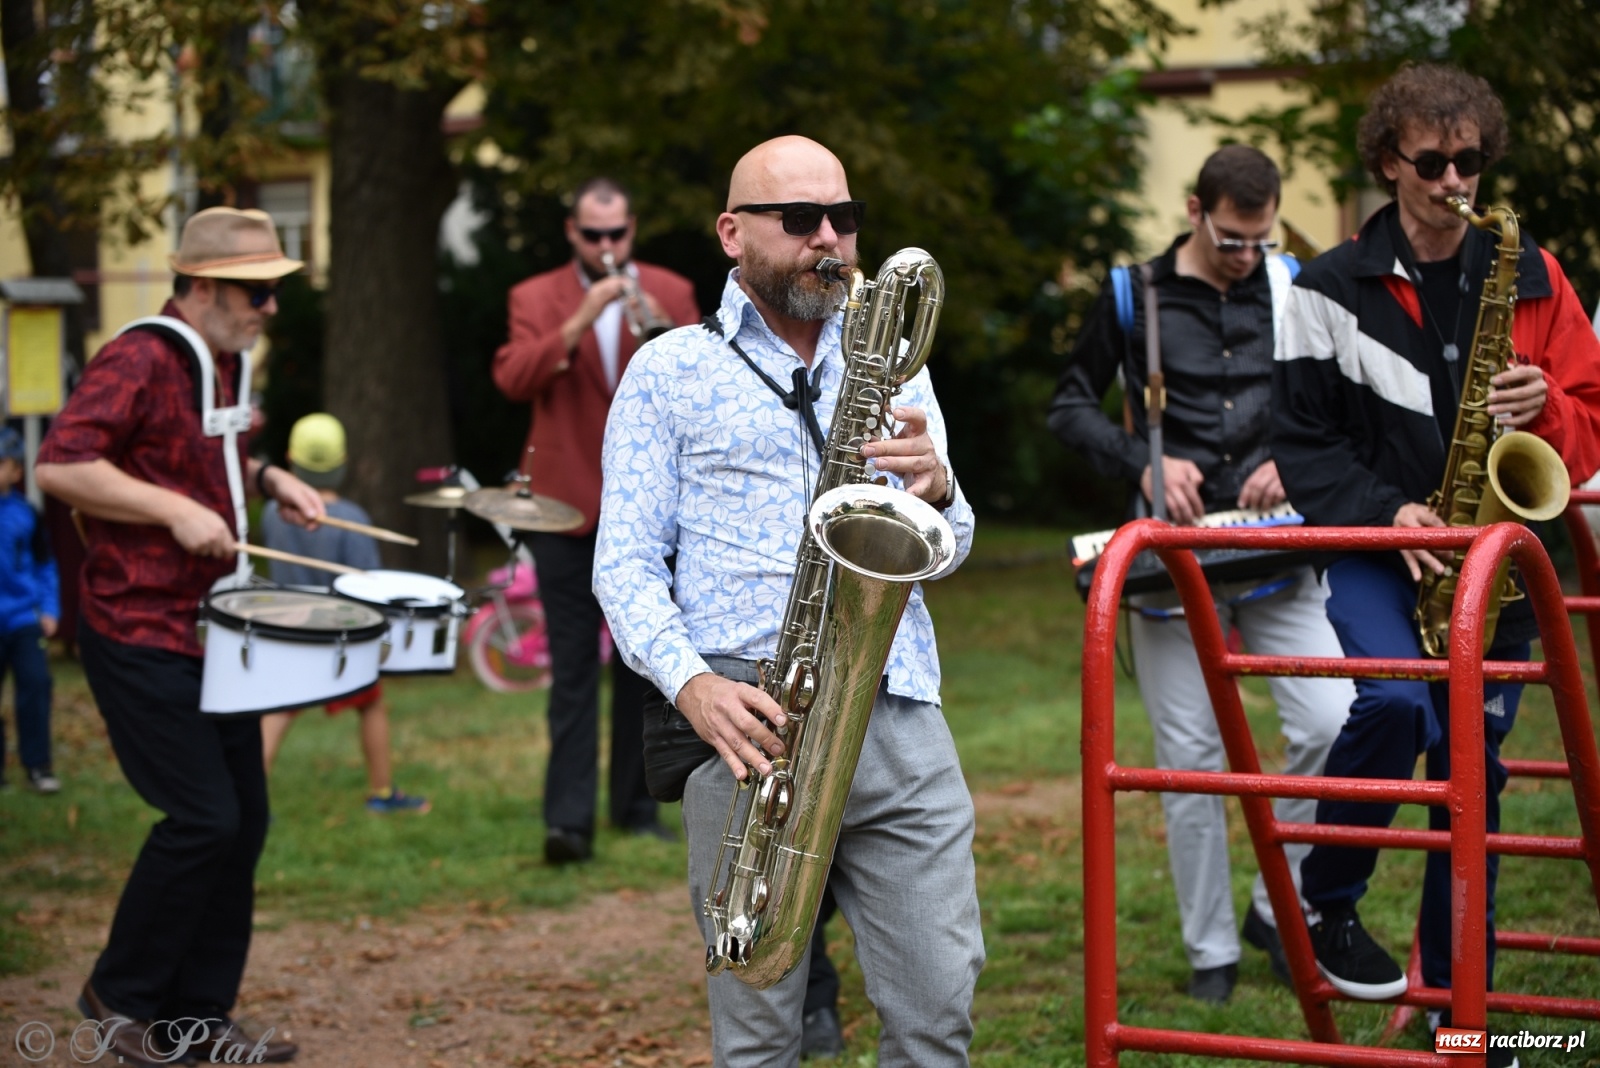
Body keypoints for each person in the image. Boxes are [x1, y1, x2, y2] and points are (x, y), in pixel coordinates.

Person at [594, 135, 982, 1066]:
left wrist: (938, 492)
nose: (830, 240)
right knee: (759, 1028)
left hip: (893, 706)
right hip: (745, 720)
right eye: (800, 219)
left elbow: (949, 545)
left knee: (938, 1006)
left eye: (843, 219)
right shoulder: (669, 371)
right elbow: (624, 565)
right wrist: (693, 688)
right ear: (732, 233)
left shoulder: (892, 360)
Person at [1271, 64, 1600, 1047]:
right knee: (1398, 702)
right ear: (1387, 163)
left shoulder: (1532, 273)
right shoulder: (1325, 288)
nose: (1454, 177)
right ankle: (1328, 900)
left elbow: (1590, 427)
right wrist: (1391, 513)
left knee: (1477, 775)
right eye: (1431, 160)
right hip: (1382, 549)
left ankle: (1459, 1021)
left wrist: (1548, 409)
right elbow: (1302, 442)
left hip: (1495, 555)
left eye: (1469, 159)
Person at [1047, 145, 1354, 1003]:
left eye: (1257, 240)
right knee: (1189, 760)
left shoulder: (1296, 281)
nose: (1244, 256)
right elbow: (1068, 404)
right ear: (1193, 209)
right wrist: (1141, 463)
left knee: (1335, 718)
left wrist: (1297, 463)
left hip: (1281, 547)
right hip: (1169, 560)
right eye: (1229, 239)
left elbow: (1338, 403)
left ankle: (1275, 904)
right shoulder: (1130, 293)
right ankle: (1211, 951)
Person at [36, 206, 325, 1067]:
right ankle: (117, 996)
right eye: (254, 293)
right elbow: (63, 463)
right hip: (138, 626)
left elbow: (197, 456)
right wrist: (172, 511)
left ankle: (195, 1019)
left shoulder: (224, 362)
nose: (269, 310)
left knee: (245, 823)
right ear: (199, 287)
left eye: (273, 293)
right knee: (203, 818)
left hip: (215, 629)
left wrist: (271, 478)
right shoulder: (139, 354)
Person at [494, 177, 701, 864]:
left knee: (646, 667)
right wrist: (581, 318)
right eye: (593, 235)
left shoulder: (670, 292)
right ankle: (568, 824)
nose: (607, 247)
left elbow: (702, 386)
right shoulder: (535, 296)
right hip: (565, 508)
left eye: (618, 235)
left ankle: (638, 807)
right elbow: (513, 379)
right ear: (572, 233)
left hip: (651, 512)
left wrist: (657, 333)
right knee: (575, 673)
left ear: (632, 229)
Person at [258, 413, 429, 814]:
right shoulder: (352, 519)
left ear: (290, 459)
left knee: (277, 711)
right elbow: (367, 588)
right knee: (370, 705)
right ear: (344, 462)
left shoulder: (270, 512)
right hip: (339, 639)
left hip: (289, 630)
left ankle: (250, 795)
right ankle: (383, 793)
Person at [0, 426, 60, 793]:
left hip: (23, 619)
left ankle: (38, 765)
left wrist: (50, 608)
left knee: (36, 685)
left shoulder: (28, 514)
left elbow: (45, 565)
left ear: (16, 472)